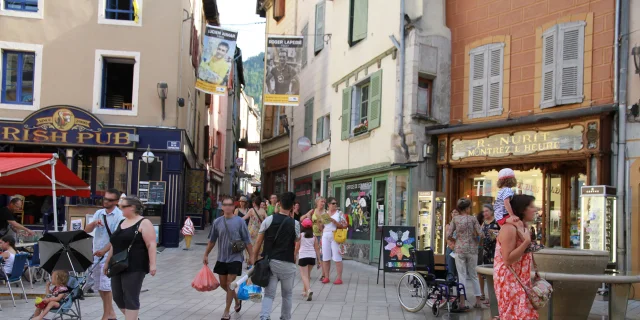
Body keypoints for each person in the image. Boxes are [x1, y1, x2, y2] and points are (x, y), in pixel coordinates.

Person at [103, 196, 157, 320]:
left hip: (135, 265)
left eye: (122, 206)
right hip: (117, 264)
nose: (119, 208)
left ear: (132, 207)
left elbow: (151, 244)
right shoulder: (122, 222)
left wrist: (153, 264)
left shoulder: (144, 223)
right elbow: (114, 244)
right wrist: (107, 262)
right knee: (117, 296)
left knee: (131, 296)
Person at [203, 197, 254, 320]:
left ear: (233, 207)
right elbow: (212, 241)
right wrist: (206, 254)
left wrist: (251, 256)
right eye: (225, 205)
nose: (227, 207)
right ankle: (236, 299)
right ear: (222, 207)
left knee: (230, 283)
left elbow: (247, 241)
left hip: (236, 257)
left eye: (230, 205)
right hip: (222, 257)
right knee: (223, 284)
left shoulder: (240, 222)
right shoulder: (217, 222)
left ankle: (226, 311)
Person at [252, 192, 300, 320]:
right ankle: (285, 317)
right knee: (287, 295)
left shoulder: (269, 220)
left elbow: (258, 242)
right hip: (288, 263)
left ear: (278, 204)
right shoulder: (295, 223)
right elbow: (296, 241)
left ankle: (264, 316)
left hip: (271, 263)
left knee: (269, 294)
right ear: (292, 207)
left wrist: (254, 260)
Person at [493, 195, 539, 320]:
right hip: (509, 280)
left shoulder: (522, 227)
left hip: (521, 279)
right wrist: (526, 242)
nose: (535, 209)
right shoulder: (509, 228)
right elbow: (507, 260)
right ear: (522, 209)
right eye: (531, 206)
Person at [85, 189, 124, 320]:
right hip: (96, 254)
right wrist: (94, 223)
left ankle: (106, 315)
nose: (106, 202)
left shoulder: (119, 216)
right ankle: (111, 313)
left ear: (116, 202)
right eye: (105, 199)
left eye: (110, 200)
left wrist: (104, 251)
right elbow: (86, 230)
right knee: (100, 287)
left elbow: (116, 239)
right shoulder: (99, 213)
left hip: (109, 256)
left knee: (106, 287)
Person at [446, 198, 483, 309]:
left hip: (459, 249)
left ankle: (462, 302)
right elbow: (481, 234)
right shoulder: (473, 219)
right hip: (472, 249)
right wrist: (476, 241)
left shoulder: (455, 219)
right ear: (467, 208)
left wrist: (455, 240)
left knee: (461, 275)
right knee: (473, 275)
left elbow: (448, 235)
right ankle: (478, 301)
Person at [321, 197, 347, 284]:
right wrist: (319, 222)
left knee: (337, 257)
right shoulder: (324, 213)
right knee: (325, 257)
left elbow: (344, 225)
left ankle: (339, 278)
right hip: (325, 234)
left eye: (336, 203)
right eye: (333, 203)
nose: (335, 205)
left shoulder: (339, 213)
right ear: (328, 204)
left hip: (335, 234)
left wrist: (334, 222)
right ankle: (326, 277)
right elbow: (321, 227)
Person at [295, 218, 321, 301]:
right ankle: (304, 291)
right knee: (307, 275)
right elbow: (317, 248)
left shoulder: (300, 235)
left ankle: (309, 290)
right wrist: (319, 260)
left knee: (303, 275)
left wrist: (294, 255)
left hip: (303, 257)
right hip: (312, 257)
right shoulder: (314, 236)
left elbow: (297, 247)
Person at [302, 197, 326, 280]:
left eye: (324, 202)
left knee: (322, 255)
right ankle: (308, 274)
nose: (323, 203)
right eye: (321, 201)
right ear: (317, 202)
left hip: (322, 236)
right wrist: (307, 216)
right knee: (310, 255)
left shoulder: (325, 213)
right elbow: (301, 219)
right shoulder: (313, 211)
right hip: (312, 236)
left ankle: (323, 275)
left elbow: (323, 228)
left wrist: (319, 221)